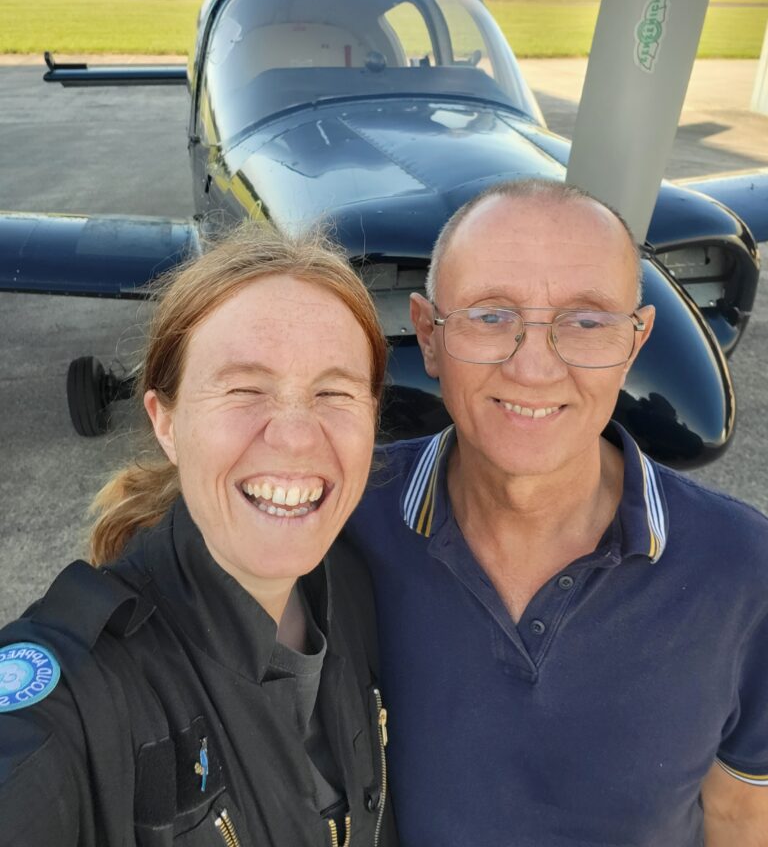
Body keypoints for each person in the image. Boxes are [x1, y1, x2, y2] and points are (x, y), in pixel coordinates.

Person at [348, 178, 768, 847]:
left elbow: (740, 820)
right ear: (428, 335)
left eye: (587, 320)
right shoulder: (341, 523)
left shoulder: (746, 571)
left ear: (635, 341)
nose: (535, 367)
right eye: (491, 315)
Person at [0, 226, 397, 847]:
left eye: (334, 392)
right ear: (166, 422)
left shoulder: (355, 584)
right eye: (244, 389)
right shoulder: (86, 690)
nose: (296, 436)